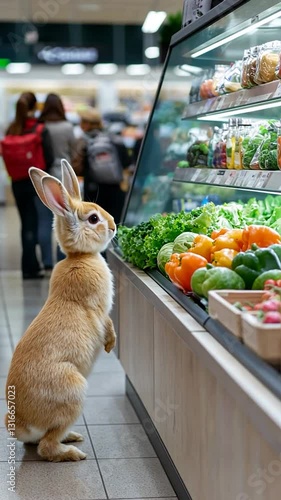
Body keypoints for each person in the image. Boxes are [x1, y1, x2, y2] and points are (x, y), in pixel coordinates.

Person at [4, 92, 53, 279]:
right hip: (36, 181)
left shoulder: (11, 129)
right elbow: (49, 157)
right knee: (39, 221)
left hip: (17, 182)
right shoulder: (39, 129)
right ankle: (37, 265)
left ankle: (27, 266)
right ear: (34, 107)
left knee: (25, 223)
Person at [72, 107, 131, 225]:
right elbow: (127, 163)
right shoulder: (114, 138)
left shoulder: (83, 141)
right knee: (115, 223)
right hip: (116, 188)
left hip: (94, 189)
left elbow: (77, 168)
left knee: (94, 224)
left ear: (87, 124)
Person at [38, 93, 76, 265]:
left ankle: (46, 261)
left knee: (44, 220)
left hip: (43, 177)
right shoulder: (67, 127)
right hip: (63, 178)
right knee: (64, 220)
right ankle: (62, 258)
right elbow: (74, 151)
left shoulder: (39, 126)